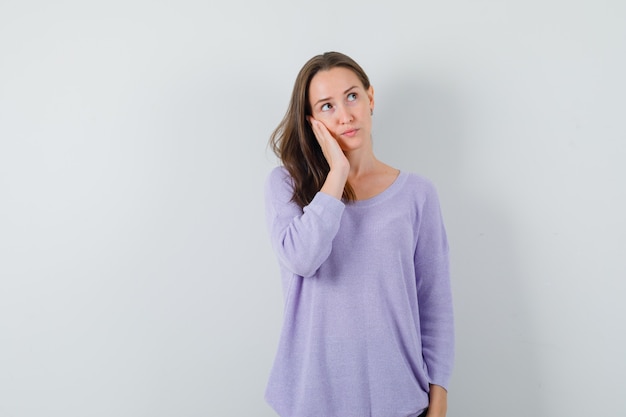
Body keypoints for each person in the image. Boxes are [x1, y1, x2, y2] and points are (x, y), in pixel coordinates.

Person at [264, 51, 454, 417]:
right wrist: (336, 174)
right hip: (311, 401)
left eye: (352, 96)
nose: (345, 115)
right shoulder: (286, 186)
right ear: (312, 121)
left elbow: (435, 304)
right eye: (327, 106)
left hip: (399, 401)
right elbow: (302, 259)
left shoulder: (418, 194)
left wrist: (439, 402)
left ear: (370, 98)